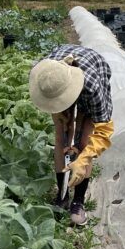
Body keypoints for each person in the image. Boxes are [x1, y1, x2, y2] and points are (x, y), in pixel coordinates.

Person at [28, 43, 114, 226]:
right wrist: (65, 120)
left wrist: (82, 160)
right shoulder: (43, 76)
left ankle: (78, 201)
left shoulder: (92, 87)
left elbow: (103, 130)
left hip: (92, 73)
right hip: (60, 82)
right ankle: (62, 194)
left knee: (84, 141)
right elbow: (59, 114)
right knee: (61, 137)